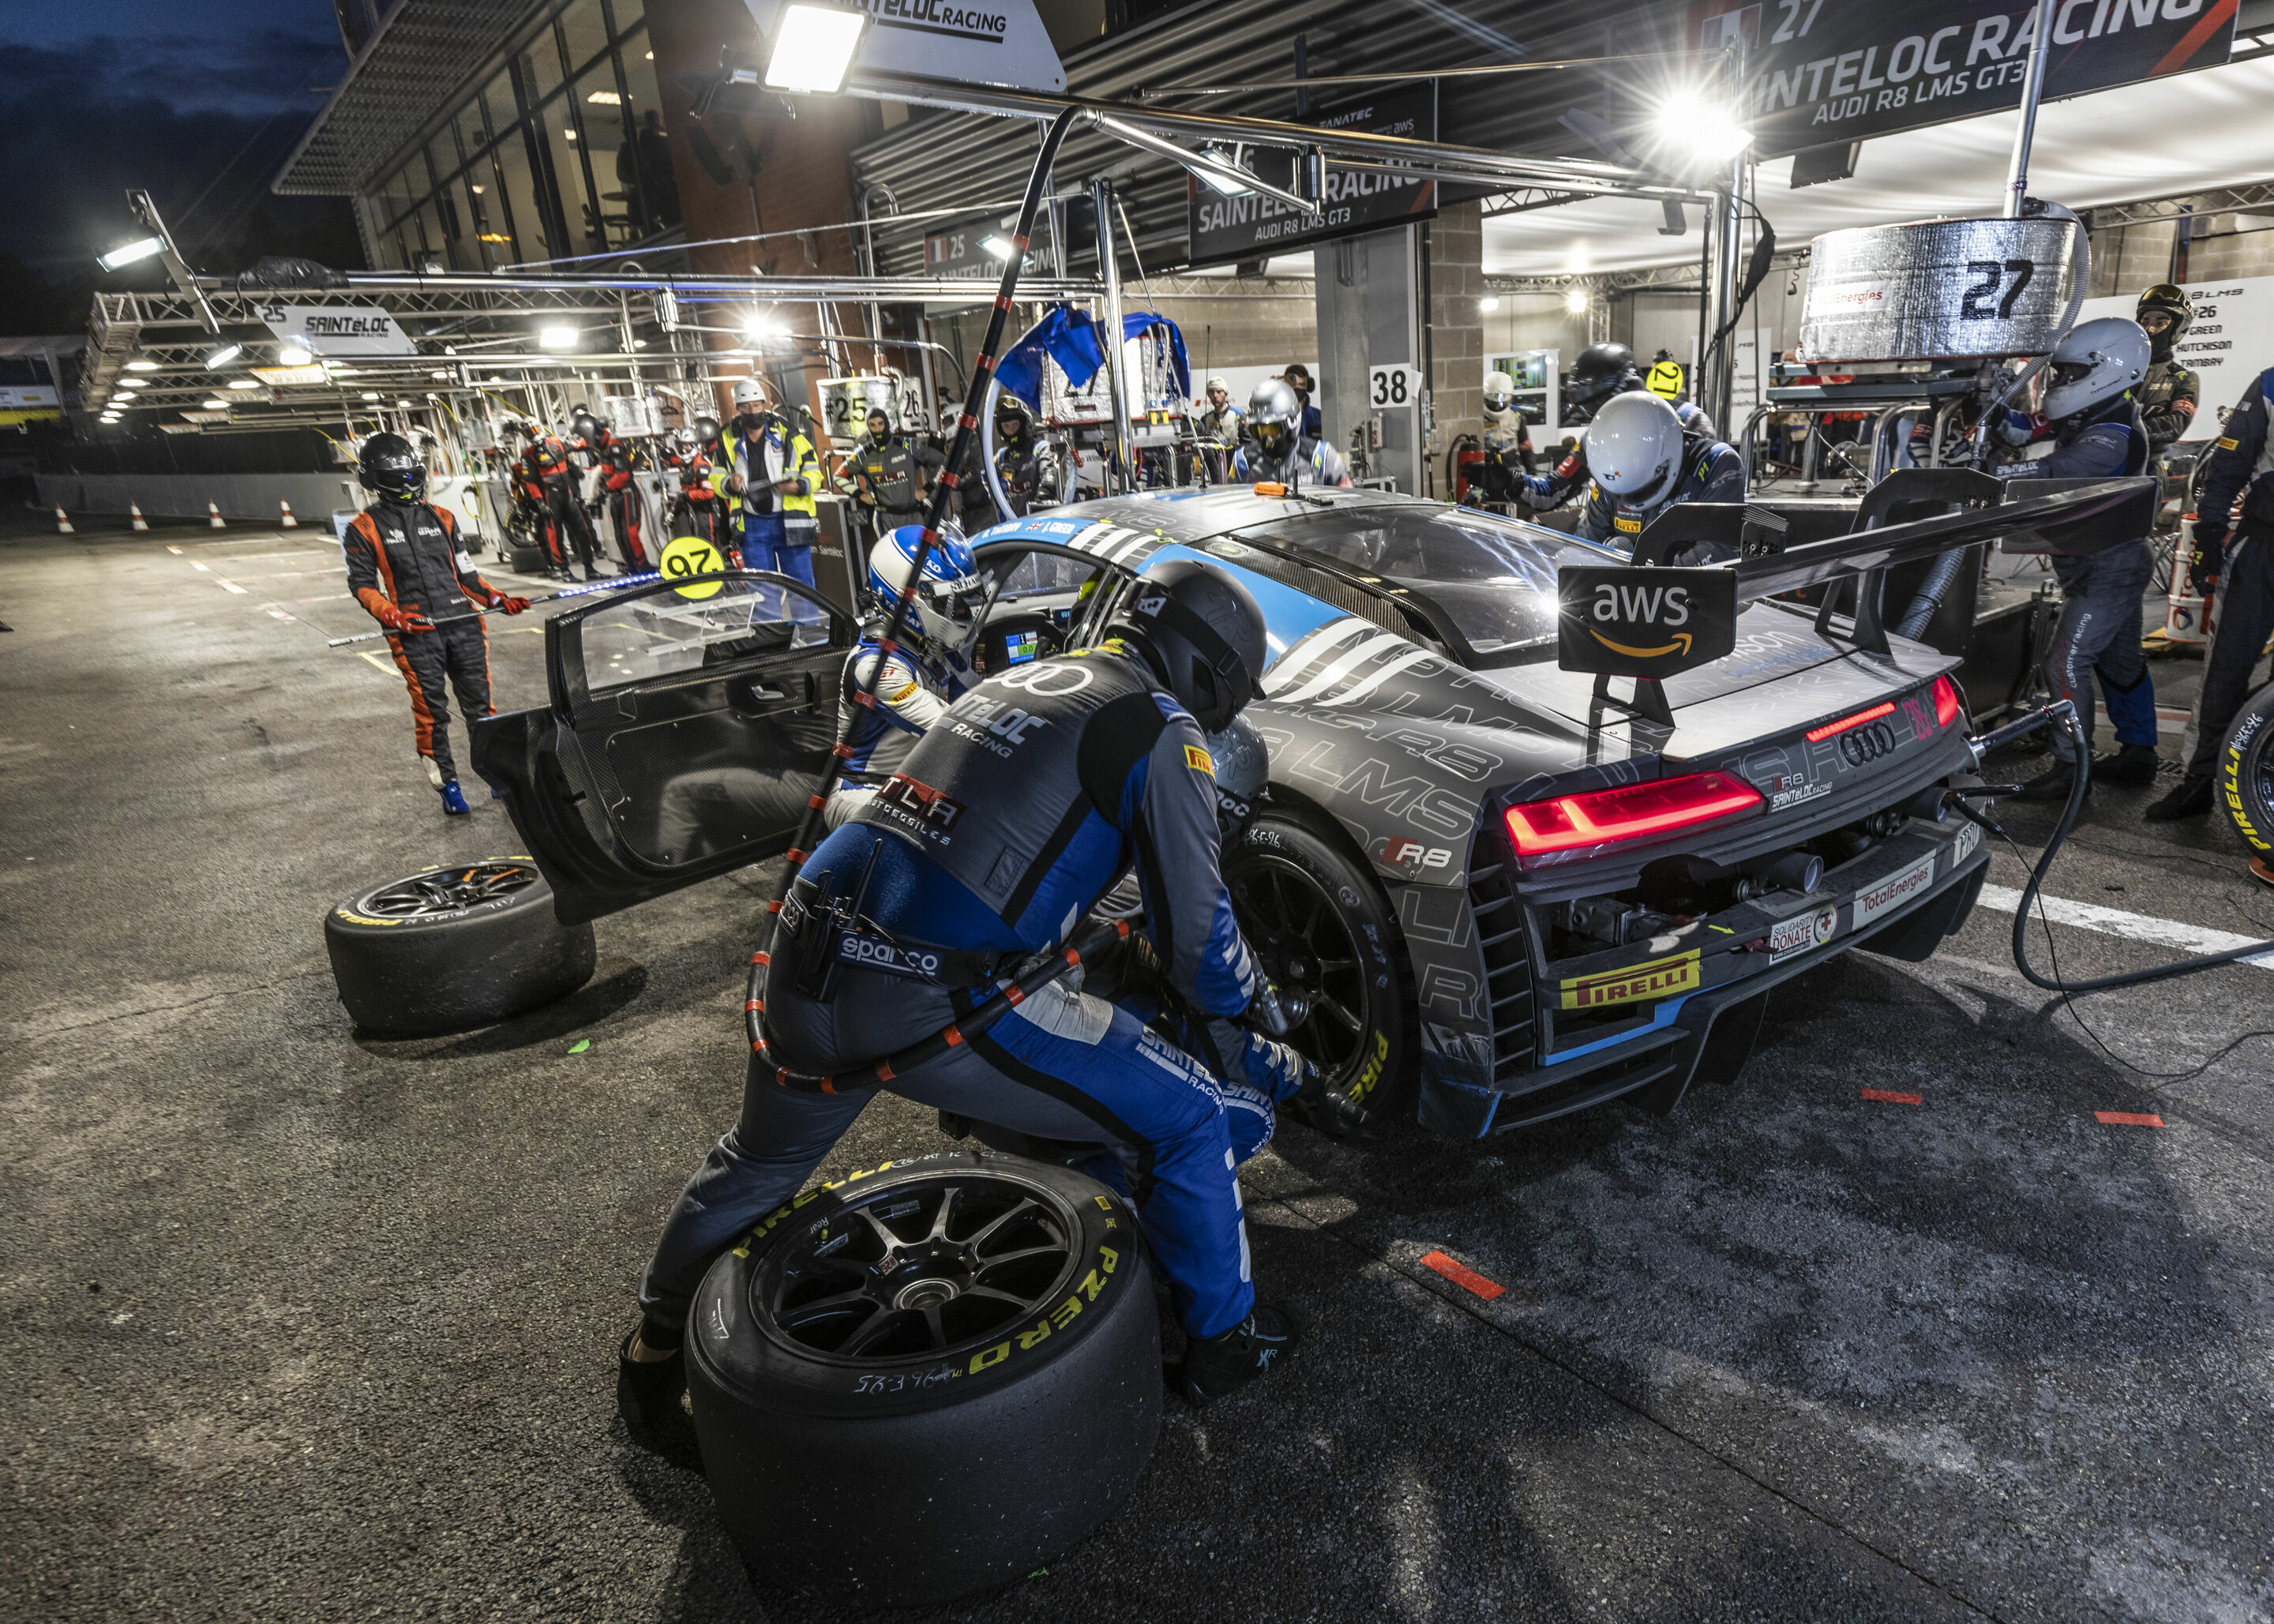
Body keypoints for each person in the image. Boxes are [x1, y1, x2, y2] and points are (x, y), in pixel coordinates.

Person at [620, 561, 1353, 1431]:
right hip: (934, 990)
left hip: (808, 945)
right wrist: (1255, 1004)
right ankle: (1228, 1344)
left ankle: (651, 1354)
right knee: (1189, 1113)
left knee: (760, 1160)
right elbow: (1197, 940)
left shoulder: (1021, 680)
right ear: (1211, 673)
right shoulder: (1162, 727)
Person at [1994, 317, 2160, 801]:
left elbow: (2051, 471)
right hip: (2101, 560)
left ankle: (2072, 771)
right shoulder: (2092, 411)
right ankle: (2139, 755)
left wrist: (1990, 473)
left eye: (2069, 374)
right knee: (2121, 663)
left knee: (2065, 665)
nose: (2062, 384)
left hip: (2111, 566)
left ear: (2107, 368)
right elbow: (2022, 431)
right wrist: (1996, 397)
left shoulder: (2114, 431)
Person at [343, 433, 528, 815]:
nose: (408, 485)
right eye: (398, 479)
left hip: (464, 625)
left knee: (482, 708)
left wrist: (497, 599)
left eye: (413, 476)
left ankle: (497, 776)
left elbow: (468, 577)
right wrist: (391, 614)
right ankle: (448, 785)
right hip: (414, 634)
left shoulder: (444, 518)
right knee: (432, 714)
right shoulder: (362, 528)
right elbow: (362, 585)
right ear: (373, 481)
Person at [2148, 360, 2274, 822]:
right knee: (2225, 670)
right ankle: (2199, 780)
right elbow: (2230, 464)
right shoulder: (2270, 382)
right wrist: (2207, 537)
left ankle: (2262, 784)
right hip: (2262, 548)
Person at [824, 526, 985, 827]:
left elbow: (983, 698)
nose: (962, 611)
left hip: (915, 781)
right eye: (951, 603)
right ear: (907, 599)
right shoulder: (875, 666)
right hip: (862, 790)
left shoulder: (933, 646)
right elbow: (950, 726)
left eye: (963, 601)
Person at [1523, 343, 1717, 513]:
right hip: (1617, 546)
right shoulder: (1594, 439)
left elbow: (1711, 507)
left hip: (1675, 543)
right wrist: (1513, 482)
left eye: (1593, 406)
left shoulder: (1691, 421)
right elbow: (1555, 487)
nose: (1594, 416)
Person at [1574, 391, 1744, 551]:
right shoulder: (1609, 483)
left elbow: (1718, 550)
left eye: (1641, 489)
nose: (1627, 499)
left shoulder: (1717, 462)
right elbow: (1586, 547)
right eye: (1619, 493)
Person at [728, 380, 822, 617]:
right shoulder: (728, 439)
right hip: (752, 525)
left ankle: (811, 638)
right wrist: (728, 484)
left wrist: (799, 486)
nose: (753, 411)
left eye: (757, 405)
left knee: (801, 586)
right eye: (746, 407)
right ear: (737, 409)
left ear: (765, 404)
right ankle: (771, 641)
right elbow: (716, 474)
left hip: (790, 521)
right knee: (761, 590)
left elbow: (814, 471)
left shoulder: (789, 433)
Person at [512, 420, 602, 580]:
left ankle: (590, 569)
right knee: (556, 537)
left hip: (566, 493)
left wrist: (587, 436)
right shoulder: (528, 455)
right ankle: (565, 572)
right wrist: (540, 503)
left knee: (582, 531)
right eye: (527, 433)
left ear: (538, 428)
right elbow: (530, 482)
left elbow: (577, 445)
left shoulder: (556, 441)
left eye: (532, 430)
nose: (531, 434)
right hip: (549, 497)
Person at [1233, 377, 1352, 488]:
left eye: (1272, 430)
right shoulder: (1243, 461)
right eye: (1258, 431)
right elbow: (1231, 504)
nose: (1266, 439)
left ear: (1293, 422)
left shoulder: (1321, 456)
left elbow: (1348, 501)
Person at [847, 405, 944, 540]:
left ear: (886, 423)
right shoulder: (863, 454)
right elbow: (839, 477)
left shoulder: (907, 446)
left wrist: (927, 489)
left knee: (921, 557)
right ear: (868, 427)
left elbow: (944, 462)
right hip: (885, 519)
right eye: (872, 425)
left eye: (880, 424)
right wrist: (860, 495)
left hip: (913, 515)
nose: (877, 429)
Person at [2135, 283, 2202, 454]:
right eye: (2145, 321)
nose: (2150, 329)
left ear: (2177, 329)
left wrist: (2127, 428)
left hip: (2147, 468)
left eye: (2161, 323)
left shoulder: (2183, 378)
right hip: (2099, 458)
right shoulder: (2118, 367)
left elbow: (2175, 426)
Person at [580, 411, 651, 572]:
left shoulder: (614, 446)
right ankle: (631, 567)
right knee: (620, 535)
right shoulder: (603, 448)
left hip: (627, 495)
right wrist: (600, 493)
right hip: (616, 496)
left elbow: (623, 474)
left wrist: (605, 489)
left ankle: (644, 569)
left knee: (630, 534)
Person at [664, 424, 732, 552]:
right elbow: (685, 491)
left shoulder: (701, 466)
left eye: (687, 446)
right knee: (699, 545)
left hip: (707, 513)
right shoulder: (687, 466)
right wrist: (674, 511)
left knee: (707, 547)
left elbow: (708, 493)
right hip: (695, 512)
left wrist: (685, 496)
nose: (683, 451)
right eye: (681, 446)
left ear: (695, 446)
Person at [992, 396, 1053, 517]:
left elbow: (1049, 477)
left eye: (1015, 425)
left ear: (1025, 424)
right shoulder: (1001, 457)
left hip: (1037, 521)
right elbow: (986, 481)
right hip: (1013, 524)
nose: (1011, 431)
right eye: (1006, 427)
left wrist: (1040, 503)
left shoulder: (1040, 448)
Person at [1281, 364, 1324, 439]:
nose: (1296, 388)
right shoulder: (1276, 418)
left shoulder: (1320, 417)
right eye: (1292, 384)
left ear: (1309, 387)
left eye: (1301, 385)